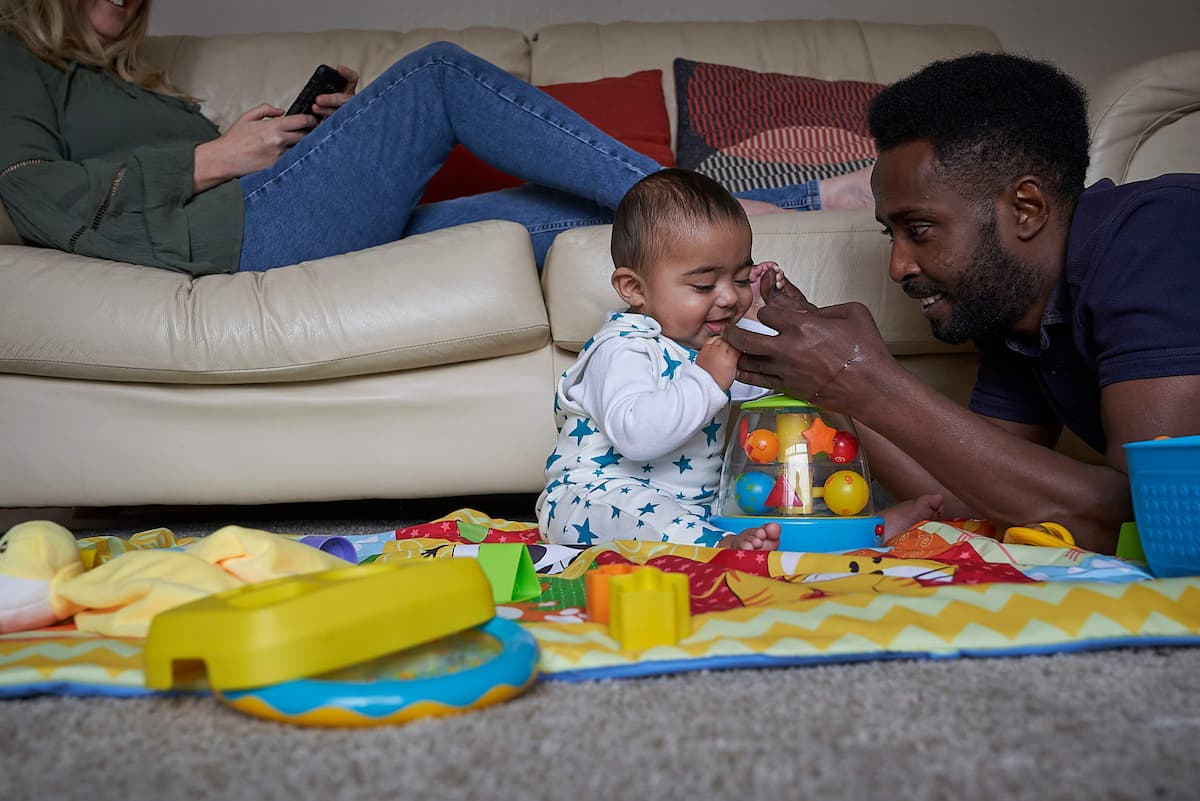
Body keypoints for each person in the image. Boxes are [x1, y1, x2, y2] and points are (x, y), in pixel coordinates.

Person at [0, 0, 871, 276]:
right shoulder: (12, 56)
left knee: (544, 208)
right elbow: (31, 189)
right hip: (244, 231)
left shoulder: (123, 76)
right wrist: (217, 156)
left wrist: (288, 143)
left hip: (271, 211)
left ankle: (799, 198)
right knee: (439, 75)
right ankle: (713, 202)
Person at [722, 52, 1200, 555]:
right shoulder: (1009, 304)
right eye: (892, 235)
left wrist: (868, 379)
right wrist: (830, 383)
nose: (898, 265)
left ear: (1027, 208)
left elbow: (1153, 520)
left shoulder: (1158, 233)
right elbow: (973, 501)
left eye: (919, 229)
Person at [536, 169, 940, 550]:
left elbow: (777, 378)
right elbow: (638, 437)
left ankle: (863, 529)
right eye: (704, 284)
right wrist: (707, 380)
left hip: (696, 510)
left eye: (741, 279)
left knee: (763, 512)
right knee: (659, 518)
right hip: (594, 500)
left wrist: (769, 315)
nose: (729, 297)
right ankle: (720, 547)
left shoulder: (712, 343)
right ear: (633, 288)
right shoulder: (623, 347)